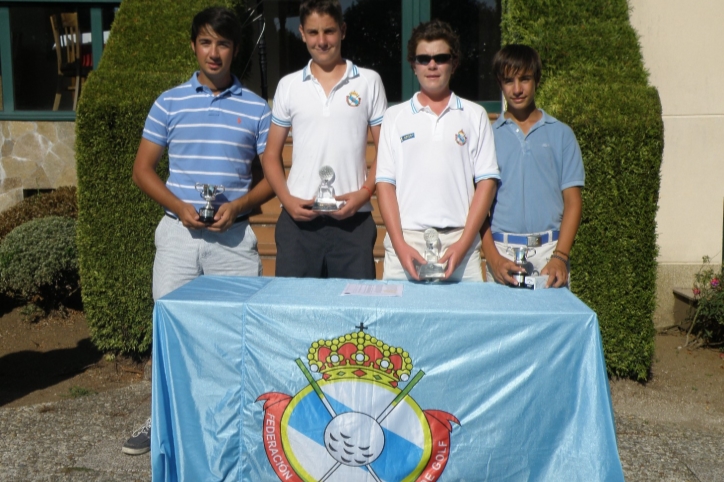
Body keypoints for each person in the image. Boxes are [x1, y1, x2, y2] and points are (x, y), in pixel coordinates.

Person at [123, 6, 273, 455]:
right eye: (206, 42)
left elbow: (272, 180)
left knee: (237, 333)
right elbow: (142, 170)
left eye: (223, 44)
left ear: (235, 49)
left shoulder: (257, 108)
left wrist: (240, 205)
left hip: (233, 241)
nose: (214, 52)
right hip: (177, 238)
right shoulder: (169, 102)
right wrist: (180, 207)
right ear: (194, 46)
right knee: (169, 332)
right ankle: (161, 421)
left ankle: (237, 424)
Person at [262, 0, 387, 279]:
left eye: (329, 31)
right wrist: (287, 200)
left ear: (342, 30)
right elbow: (270, 155)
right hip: (298, 222)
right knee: (295, 315)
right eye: (313, 32)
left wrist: (365, 193)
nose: (322, 41)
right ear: (302, 33)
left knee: (355, 316)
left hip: (354, 221)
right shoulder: (289, 85)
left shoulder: (368, 81)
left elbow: (386, 150)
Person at [375, 19, 499, 282]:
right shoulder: (394, 116)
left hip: (461, 246)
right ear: (413, 65)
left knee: (468, 324)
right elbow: (385, 184)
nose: (432, 65)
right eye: (424, 58)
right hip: (405, 244)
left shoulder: (475, 115)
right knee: (399, 323)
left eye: (441, 58)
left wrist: (463, 244)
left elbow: (487, 183)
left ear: (453, 63)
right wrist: (400, 245)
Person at [480, 44, 584, 288]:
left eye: (524, 79)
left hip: (550, 252)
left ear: (536, 79)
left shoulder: (561, 134)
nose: (517, 89)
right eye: (508, 81)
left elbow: (573, 201)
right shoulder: (487, 137)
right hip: (501, 251)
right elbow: (477, 207)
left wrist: (560, 256)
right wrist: (492, 258)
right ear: (499, 83)